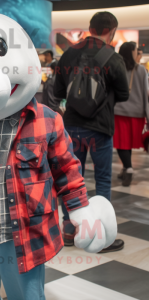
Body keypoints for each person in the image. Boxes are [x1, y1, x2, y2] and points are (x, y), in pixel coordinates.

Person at [54, 11, 130, 253]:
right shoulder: (112, 57)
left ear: (91, 27)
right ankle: (102, 235)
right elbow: (125, 94)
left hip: (72, 127)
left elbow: (58, 91)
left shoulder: (68, 54)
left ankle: (69, 231)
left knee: (70, 180)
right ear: (112, 31)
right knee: (103, 179)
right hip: (100, 128)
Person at [114, 42, 149, 186]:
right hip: (137, 113)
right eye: (136, 50)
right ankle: (125, 168)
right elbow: (145, 94)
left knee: (122, 143)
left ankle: (128, 169)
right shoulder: (141, 70)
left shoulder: (116, 68)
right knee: (127, 141)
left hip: (119, 111)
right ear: (131, 52)